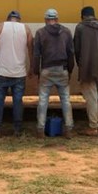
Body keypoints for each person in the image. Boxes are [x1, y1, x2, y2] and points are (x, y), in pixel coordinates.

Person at [32, 9, 75, 139]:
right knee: (66, 101)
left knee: (43, 100)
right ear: (57, 19)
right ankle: (68, 129)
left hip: (46, 69)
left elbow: (36, 54)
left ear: (46, 19)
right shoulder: (66, 32)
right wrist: (70, 70)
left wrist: (36, 71)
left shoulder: (40, 33)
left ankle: (40, 129)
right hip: (62, 69)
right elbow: (70, 53)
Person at [0, 10, 32, 138]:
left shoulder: (0, 26)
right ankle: (17, 129)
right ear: (18, 19)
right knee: (18, 101)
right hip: (19, 73)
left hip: (1, 72)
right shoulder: (26, 29)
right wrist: (32, 67)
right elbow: (31, 48)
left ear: (8, 19)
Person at [73, 6, 98, 136]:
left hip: (87, 67)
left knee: (92, 98)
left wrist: (80, 64)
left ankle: (93, 127)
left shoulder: (80, 27)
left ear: (82, 16)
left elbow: (76, 49)